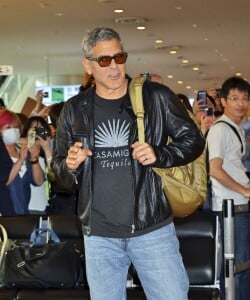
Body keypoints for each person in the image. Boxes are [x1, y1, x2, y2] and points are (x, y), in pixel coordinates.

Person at [51, 27, 204, 300]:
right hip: (98, 235)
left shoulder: (154, 97)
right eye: (104, 60)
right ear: (88, 65)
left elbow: (193, 140)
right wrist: (70, 165)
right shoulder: (74, 109)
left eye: (119, 58)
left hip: (151, 228)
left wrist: (161, 154)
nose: (114, 67)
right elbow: (59, 174)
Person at [206, 76, 250, 300]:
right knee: (234, 266)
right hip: (228, 207)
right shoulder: (219, 129)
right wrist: (244, 190)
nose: (240, 103)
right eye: (234, 98)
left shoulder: (236, 129)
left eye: (244, 99)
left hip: (239, 205)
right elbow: (215, 170)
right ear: (222, 101)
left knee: (244, 264)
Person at [0, 109, 44, 215]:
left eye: (16, 127)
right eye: (8, 127)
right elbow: (4, 181)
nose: (13, 131)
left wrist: (34, 159)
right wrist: (20, 160)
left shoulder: (24, 150)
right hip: (5, 213)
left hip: (25, 213)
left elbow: (38, 181)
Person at [21, 116, 53, 214]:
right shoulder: (20, 150)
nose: (38, 133)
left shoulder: (49, 151)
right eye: (35, 129)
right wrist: (29, 141)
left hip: (41, 207)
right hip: (27, 207)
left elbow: (54, 173)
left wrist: (46, 147)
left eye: (42, 129)